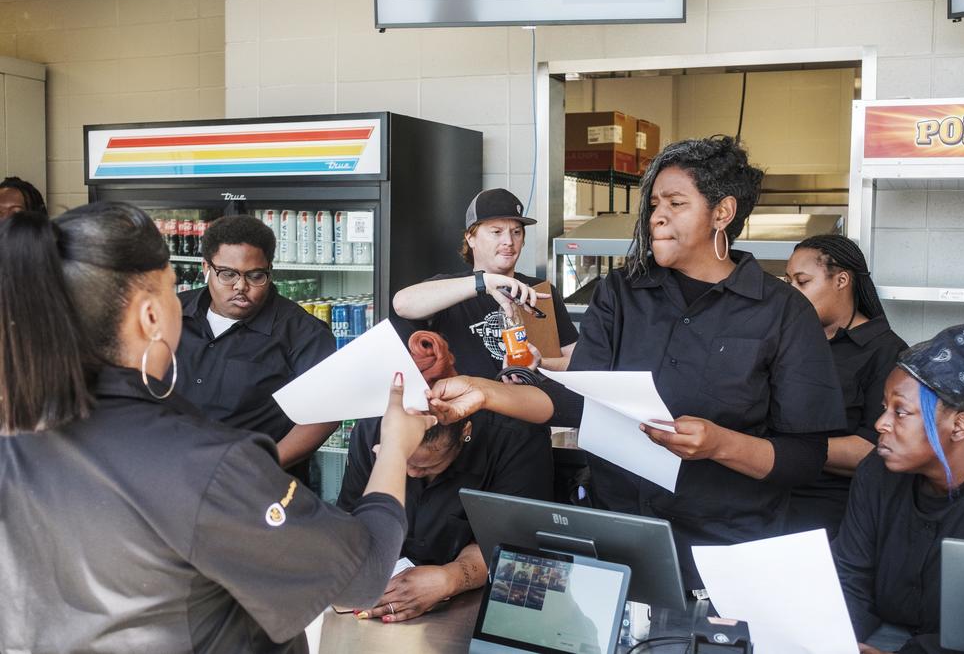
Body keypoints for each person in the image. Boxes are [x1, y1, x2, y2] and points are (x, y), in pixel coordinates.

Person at [0, 204, 437, 652]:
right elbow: (362, 575)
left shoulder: (18, 433)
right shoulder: (209, 466)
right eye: (175, 290)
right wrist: (394, 449)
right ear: (151, 316)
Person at [425, 136, 847, 589]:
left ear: (722, 213)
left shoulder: (782, 312)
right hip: (617, 538)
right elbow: (573, 401)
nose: (657, 216)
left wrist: (719, 445)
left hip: (726, 552)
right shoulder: (621, 292)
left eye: (676, 203)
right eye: (654, 204)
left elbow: (804, 459)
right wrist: (485, 391)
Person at [337, 330, 553, 623]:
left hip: (484, 603)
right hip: (385, 586)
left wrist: (450, 578)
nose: (410, 473)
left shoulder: (515, 438)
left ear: (465, 431)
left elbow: (512, 546)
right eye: (401, 461)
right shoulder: (371, 427)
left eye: (425, 467)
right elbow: (353, 519)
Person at [834, 323, 964, 654]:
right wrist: (840, 640)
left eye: (901, 411)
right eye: (884, 408)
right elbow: (850, 575)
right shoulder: (876, 472)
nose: (880, 424)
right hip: (877, 634)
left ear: (959, 425)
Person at [174, 215, 337, 483]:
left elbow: (325, 414)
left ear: (269, 270)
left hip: (256, 488)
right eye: (227, 274)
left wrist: (265, 465)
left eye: (255, 275)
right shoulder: (172, 313)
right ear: (206, 267)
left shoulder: (303, 333)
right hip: (173, 476)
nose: (241, 286)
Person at [785, 235, 908, 538]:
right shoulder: (789, 341)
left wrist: (775, 450)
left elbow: (873, 449)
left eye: (802, 282)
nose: (791, 293)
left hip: (832, 515)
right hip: (768, 502)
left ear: (841, 280)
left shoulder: (888, 352)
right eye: (787, 283)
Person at [392, 188, 578, 378]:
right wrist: (484, 282)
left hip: (534, 404)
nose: (508, 241)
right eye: (496, 232)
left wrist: (540, 363)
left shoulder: (538, 291)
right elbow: (402, 304)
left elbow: (578, 361)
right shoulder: (450, 290)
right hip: (466, 405)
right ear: (470, 238)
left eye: (516, 232)